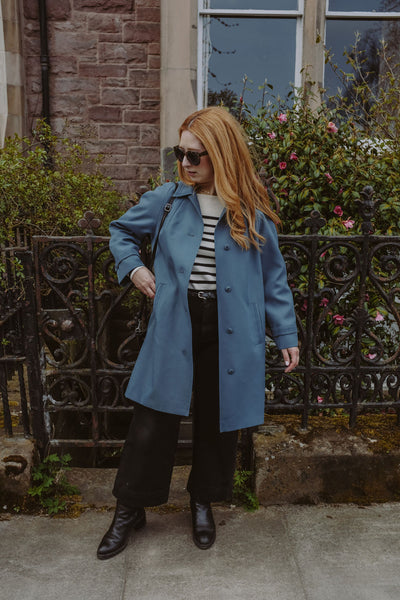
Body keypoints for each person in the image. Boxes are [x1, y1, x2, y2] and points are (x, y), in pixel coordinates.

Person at [97, 106, 299, 560]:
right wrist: (133, 270)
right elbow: (121, 232)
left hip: (230, 329)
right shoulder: (167, 199)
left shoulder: (250, 212)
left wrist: (286, 334)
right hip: (175, 323)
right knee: (152, 419)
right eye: (180, 153)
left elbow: (274, 279)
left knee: (217, 421)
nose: (185, 164)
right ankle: (130, 509)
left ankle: (202, 500)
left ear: (222, 156)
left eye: (196, 155)